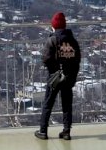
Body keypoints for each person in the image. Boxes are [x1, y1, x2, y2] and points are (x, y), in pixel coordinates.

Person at [35, 12, 81, 141]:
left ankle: (43, 131)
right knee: (67, 104)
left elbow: (46, 59)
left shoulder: (52, 40)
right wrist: (72, 76)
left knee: (48, 103)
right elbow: (77, 60)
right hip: (68, 77)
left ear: (54, 26)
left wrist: (53, 70)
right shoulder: (73, 41)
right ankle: (66, 131)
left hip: (55, 77)